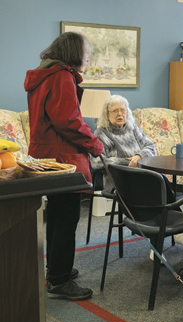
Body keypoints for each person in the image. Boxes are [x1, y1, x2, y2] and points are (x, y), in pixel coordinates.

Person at [24, 32, 104, 301]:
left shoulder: (44, 75)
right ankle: (59, 281)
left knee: (57, 215)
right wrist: (94, 143)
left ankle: (57, 269)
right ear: (73, 53)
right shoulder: (61, 77)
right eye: (86, 53)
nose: (88, 57)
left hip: (49, 155)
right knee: (67, 217)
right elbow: (68, 121)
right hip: (64, 158)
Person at [90, 95, 183, 247]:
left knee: (161, 181)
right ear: (106, 114)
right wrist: (129, 161)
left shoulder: (133, 128)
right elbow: (97, 162)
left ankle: (165, 236)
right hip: (119, 182)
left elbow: (151, 147)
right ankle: (166, 237)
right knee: (155, 188)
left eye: (123, 110)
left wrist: (138, 156)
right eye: (114, 111)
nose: (120, 114)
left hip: (142, 176)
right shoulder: (101, 133)